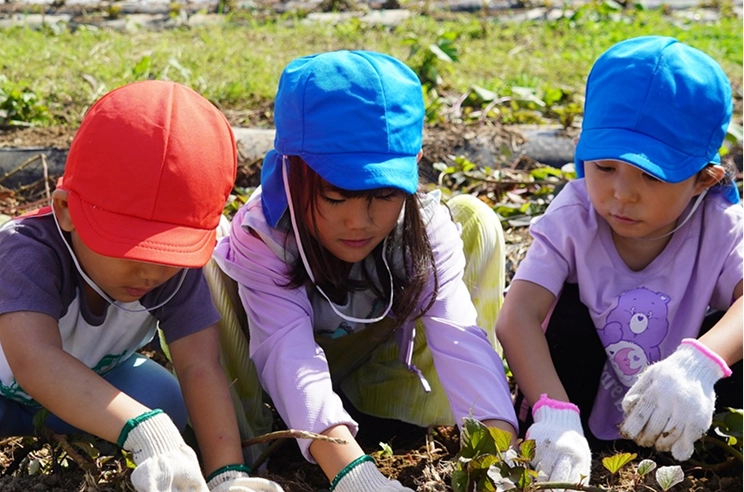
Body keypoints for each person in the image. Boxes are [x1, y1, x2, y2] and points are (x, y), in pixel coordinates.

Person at [212, 50, 518, 491]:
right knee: (203, 257)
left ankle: (389, 410)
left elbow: (459, 336)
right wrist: (354, 475)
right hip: (268, 388)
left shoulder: (424, 228)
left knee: (477, 219)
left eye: (383, 195)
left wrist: (497, 452)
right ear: (293, 172)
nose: (359, 221)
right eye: (336, 198)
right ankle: (247, 446)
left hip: (365, 371)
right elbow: (287, 353)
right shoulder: (266, 235)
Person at [0, 80, 283, 492]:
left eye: (169, 253)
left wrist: (228, 474)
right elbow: (34, 361)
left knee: (167, 401)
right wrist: (143, 429)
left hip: (89, 381)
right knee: (154, 419)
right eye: (129, 250)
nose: (150, 274)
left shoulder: (173, 270)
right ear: (66, 211)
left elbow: (199, 364)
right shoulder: (25, 251)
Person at [495, 35, 743, 487]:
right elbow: (517, 316)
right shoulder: (574, 217)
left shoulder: (719, 224)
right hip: (583, 407)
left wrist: (701, 365)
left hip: (687, 411)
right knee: (563, 314)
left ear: (703, 180)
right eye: (605, 167)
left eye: (650, 175)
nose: (621, 194)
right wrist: (553, 412)